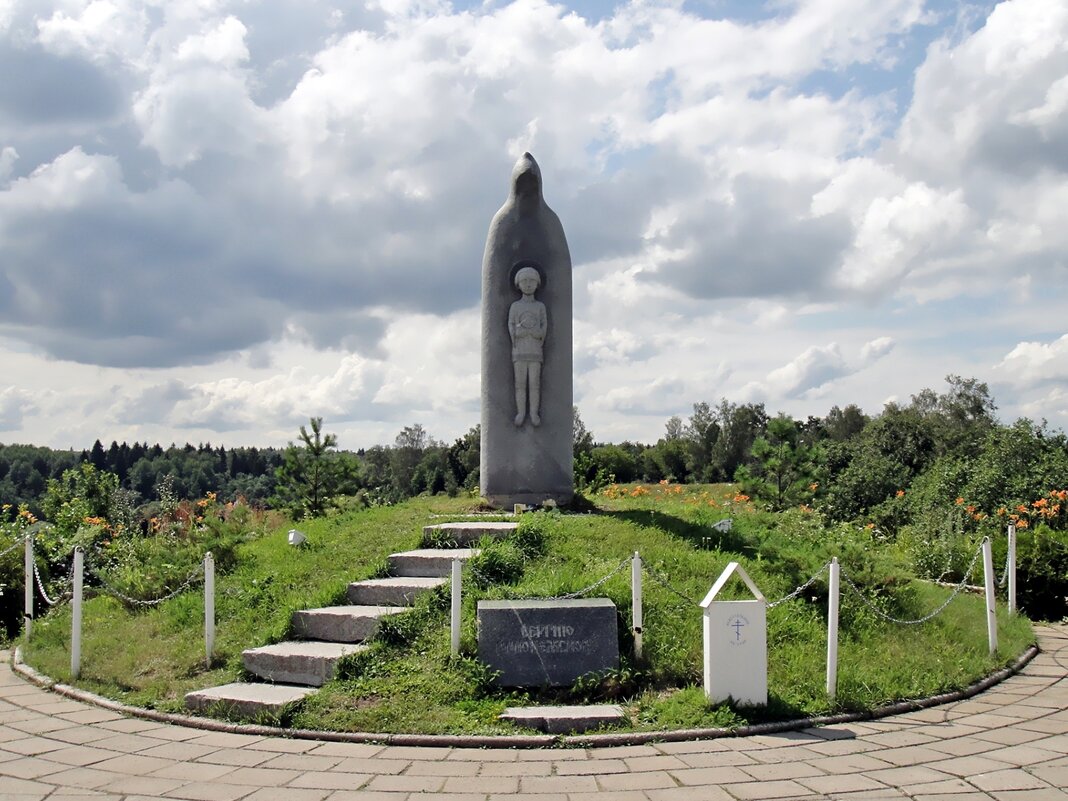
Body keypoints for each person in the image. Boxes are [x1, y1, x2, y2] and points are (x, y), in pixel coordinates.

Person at [508, 264, 547, 426]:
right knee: (520, 384)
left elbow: (544, 326)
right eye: (525, 281)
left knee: (534, 383)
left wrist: (538, 333)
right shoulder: (515, 306)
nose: (528, 284)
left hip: (535, 350)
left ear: (537, 283)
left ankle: (533, 413)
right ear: (518, 284)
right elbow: (510, 325)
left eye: (531, 281)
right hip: (519, 351)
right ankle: (521, 412)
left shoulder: (540, 307)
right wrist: (518, 332)